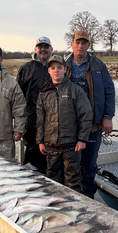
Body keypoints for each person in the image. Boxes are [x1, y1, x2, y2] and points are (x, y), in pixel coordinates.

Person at [64, 31, 116, 199]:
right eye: (77, 43)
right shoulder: (63, 66)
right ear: (71, 44)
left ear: (89, 45)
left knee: (89, 164)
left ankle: (88, 199)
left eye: (84, 43)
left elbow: (109, 91)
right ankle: (71, 198)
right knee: (69, 164)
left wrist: (107, 117)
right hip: (69, 125)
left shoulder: (99, 66)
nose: (80, 46)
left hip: (93, 125)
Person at [36, 55, 93, 191]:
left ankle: (75, 209)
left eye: (59, 68)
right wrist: (40, 141)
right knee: (52, 181)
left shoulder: (75, 90)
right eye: (53, 68)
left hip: (72, 146)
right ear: (49, 71)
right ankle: (56, 209)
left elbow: (85, 115)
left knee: (72, 181)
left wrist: (82, 139)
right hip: (51, 145)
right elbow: (40, 119)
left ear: (65, 70)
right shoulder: (44, 93)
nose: (56, 71)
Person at [17, 36, 55, 173]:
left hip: (53, 123)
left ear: (51, 49)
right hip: (32, 122)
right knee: (31, 162)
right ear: (35, 49)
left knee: (52, 158)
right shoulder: (25, 69)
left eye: (46, 47)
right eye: (40, 47)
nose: (43, 49)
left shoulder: (58, 68)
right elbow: (18, 98)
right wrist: (19, 123)